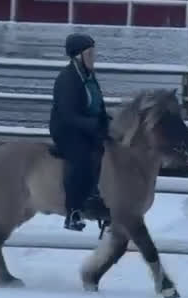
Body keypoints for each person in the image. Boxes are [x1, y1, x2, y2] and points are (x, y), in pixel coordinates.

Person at [49, 32, 112, 231]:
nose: (94, 57)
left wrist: (107, 121)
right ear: (78, 56)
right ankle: (74, 212)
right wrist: (93, 125)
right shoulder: (67, 78)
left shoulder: (89, 77)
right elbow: (68, 114)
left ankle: (102, 199)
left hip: (88, 127)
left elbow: (97, 104)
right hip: (67, 130)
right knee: (82, 158)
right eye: (90, 53)